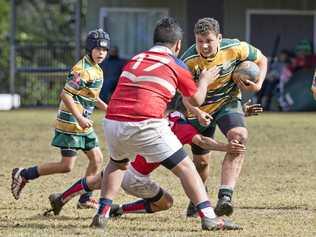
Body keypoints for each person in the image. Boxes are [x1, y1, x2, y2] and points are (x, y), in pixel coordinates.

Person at [90, 16, 241, 231]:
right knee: (186, 167)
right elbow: (196, 99)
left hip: (113, 121)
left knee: (117, 163)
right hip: (146, 121)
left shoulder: (136, 58)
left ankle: (102, 213)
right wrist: (205, 80)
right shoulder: (176, 64)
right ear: (178, 45)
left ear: (155, 40)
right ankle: (209, 217)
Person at [46, 110, 247, 216]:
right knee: (166, 202)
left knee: (99, 179)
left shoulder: (162, 118)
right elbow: (202, 141)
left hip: (124, 160)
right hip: (134, 178)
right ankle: (120, 209)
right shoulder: (184, 128)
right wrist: (226, 147)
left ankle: (61, 198)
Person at [10, 29, 110, 209]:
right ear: (90, 49)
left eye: (104, 50)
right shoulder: (82, 70)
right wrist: (79, 117)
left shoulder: (97, 70)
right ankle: (24, 174)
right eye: (97, 49)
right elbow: (65, 94)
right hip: (71, 123)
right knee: (66, 166)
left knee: (97, 159)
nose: (101, 53)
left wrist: (107, 109)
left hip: (83, 123)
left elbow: (91, 96)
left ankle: (85, 199)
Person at [180, 17, 268, 218]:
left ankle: (225, 197)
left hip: (228, 102)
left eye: (209, 41)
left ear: (219, 38)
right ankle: (197, 200)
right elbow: (185, 98)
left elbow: (262, 59)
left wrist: (259, 84)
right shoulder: (188, 61)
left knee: (239, 137)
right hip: (199, 110)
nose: (204, 46)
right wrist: (198, 113)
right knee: (201, 162)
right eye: (199, 41)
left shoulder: (236, 48)